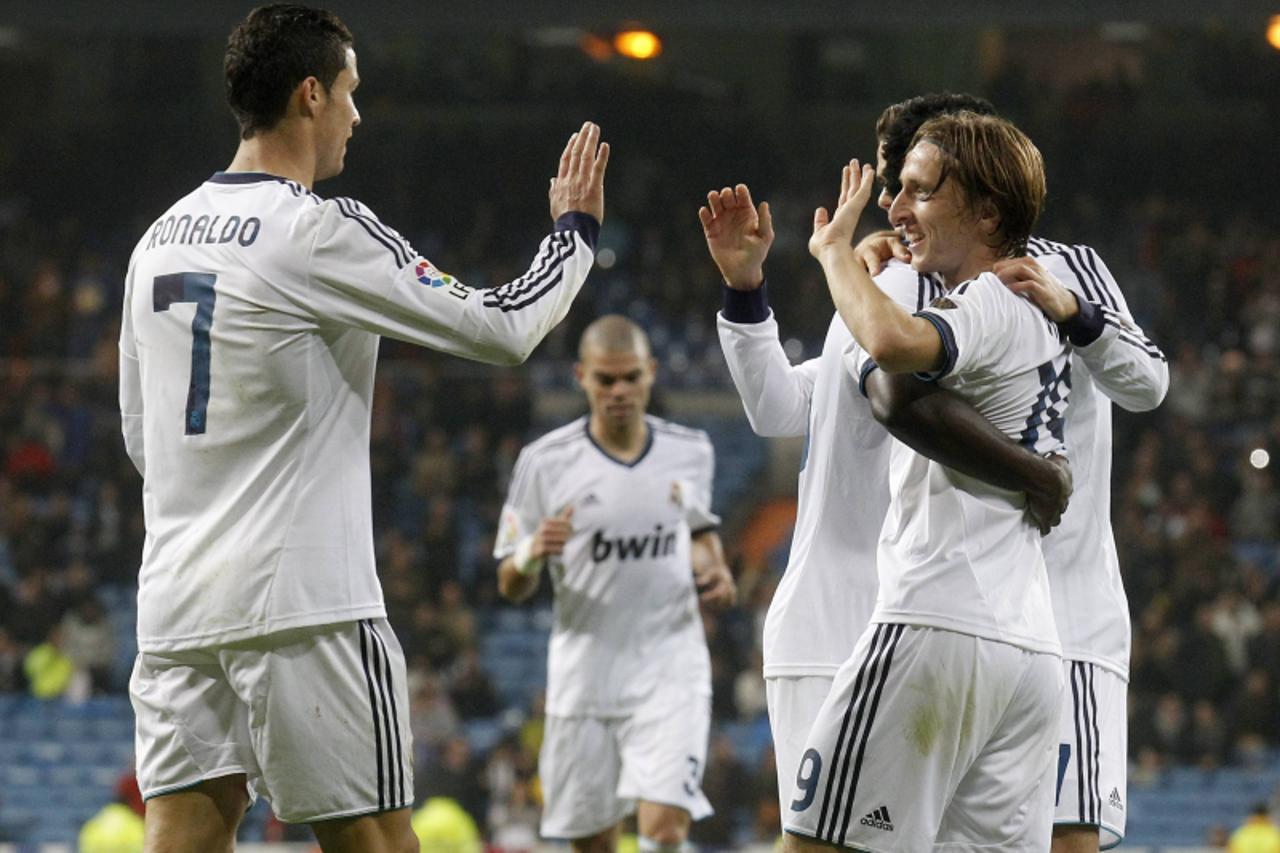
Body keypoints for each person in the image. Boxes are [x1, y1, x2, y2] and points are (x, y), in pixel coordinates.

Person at [117, 5, 609, 852]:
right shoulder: (315, 229)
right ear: (310, 94)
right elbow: (502, 327)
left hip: (176, 607)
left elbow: (141, 436)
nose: (356, 113)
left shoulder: (154, 243)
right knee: (379, 842)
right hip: (307, 607)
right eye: (349, 91)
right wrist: (575, 235)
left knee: (183, 840)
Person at [703, 91, 1072, 839]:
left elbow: (894, 388)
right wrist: (747, 293)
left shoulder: (915, 292)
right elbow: (787, 406)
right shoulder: (939, 291)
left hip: (909, 616)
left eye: (904, 184)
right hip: (910, 617)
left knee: (821, 839)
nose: (887, 205)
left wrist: (840, 256)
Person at [866, 94, 1168, 853]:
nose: (897, 206)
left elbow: (1149, 384)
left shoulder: (1071, 267)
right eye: (897, 187)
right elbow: (871, 394)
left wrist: (1074, 313)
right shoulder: (907, 282)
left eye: (919, 186)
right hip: (959, 613)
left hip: (1070, 615)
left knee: (1066, 841)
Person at [493, 315, 736, 853]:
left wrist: (715, 567)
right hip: (586, 679)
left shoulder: (691, 451)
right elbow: (510, 583)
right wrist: (531, 554)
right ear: (582, 377)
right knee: (592, 843)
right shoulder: (544, 463)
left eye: (630, 377)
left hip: (671, 667)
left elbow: (699, 529)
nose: (619, 391)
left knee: (665, 829)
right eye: (606, 380)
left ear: (651, 373)